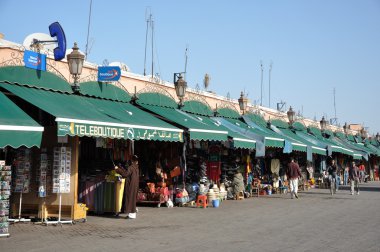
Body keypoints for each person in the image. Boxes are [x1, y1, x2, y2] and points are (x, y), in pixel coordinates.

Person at [114, 155, 139, 219]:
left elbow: (125, 174)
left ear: (132, 160)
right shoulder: (136, 168)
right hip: (134, 186)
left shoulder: (131, 167)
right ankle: (131, 213)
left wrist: (117, 170)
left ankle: (132, 214)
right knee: (132, 199)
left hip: (131, 186)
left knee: (130, 199)